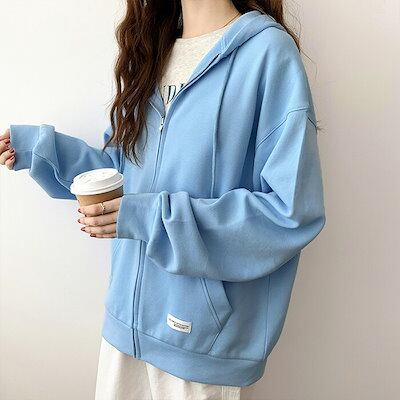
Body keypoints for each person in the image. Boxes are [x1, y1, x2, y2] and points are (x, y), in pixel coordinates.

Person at [0, 0, 326, 399]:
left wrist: (152, 217)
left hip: (202, 346)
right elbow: (124, 175)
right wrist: (40, 149)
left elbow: (290, 213)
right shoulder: (152, 50)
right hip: (124, 328)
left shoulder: (268, 54)